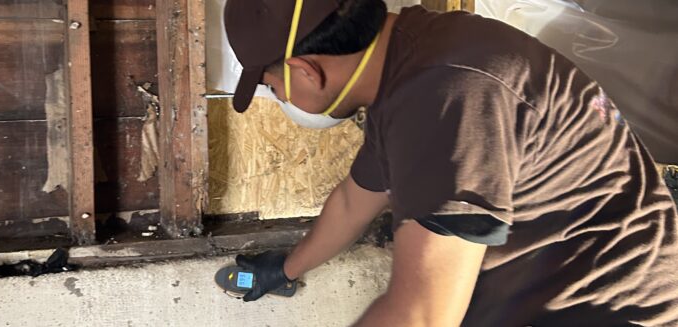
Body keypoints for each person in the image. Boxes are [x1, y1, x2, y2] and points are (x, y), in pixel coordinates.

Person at [223, 0, 678, 325]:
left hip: (609, 309)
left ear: (307, 70)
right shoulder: (412, 55)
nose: (278, 96)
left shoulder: (446, 98)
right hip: (555, 286)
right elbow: (352, 201)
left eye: (269, 84)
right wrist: (283, 269)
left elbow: (421, 316)